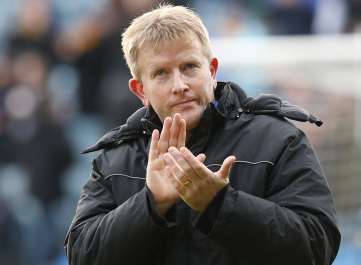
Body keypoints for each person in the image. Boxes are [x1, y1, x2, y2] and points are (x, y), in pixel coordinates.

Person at [65, 5, 340, 265]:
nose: (179, 85)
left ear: (211, 71)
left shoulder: (279, 140)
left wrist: (219, 205)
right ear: (140, 90)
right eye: (161, 73)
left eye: (189, 67)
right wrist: (151, 204)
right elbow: (82, 256)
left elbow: (317, 246)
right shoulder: (114, 161)